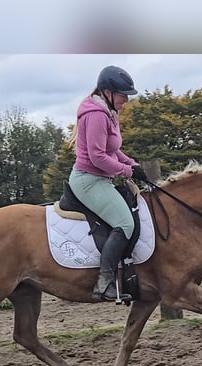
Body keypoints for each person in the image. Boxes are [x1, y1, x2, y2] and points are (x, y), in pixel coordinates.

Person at [68, 65, 148, 301]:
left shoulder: (110, 112)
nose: (126, 100)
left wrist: (132, 165)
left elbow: (113, 150)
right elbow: (97, 157)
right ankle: (104, 282)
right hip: (89, 180)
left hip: (101, 178)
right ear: (107, 92)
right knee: (125, 224)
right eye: (123, 95)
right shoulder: (95, 115)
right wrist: (126, 171)